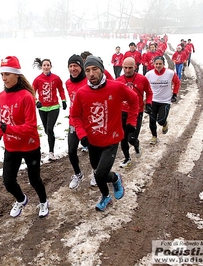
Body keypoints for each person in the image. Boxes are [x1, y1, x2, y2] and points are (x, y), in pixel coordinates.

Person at [70, 55, 139, 211]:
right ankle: (113, 181)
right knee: (98, 172)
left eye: (94, 69)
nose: (91, 74)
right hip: (93, 141)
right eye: (87, 70)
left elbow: (134, 100)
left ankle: (107, 194)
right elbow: (75, 116)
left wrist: (131, 121)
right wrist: (82, 135)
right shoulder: (81, 93)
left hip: (111, 140)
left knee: (100, 174)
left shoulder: (116, 87)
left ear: (101, 69)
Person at [0, 56, 49, 218]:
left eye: (7, 74)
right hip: (11, 146)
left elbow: (31, 127)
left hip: (30, 146)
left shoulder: (26, 97)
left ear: (17, 74)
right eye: (2, 74)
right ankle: (21, 199)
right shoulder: (1, 96)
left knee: (34, 180)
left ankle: (43, 202)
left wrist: (8, 129)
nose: (4, 78)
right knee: (8, 182)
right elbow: (4, 118)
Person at [116, 57, 153, 168]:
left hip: (137, 112)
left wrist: (149, 103)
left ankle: (136, 144)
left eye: (130, 68)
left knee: (131, 138)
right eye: (125, 68)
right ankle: (127, 158)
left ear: (135, 67)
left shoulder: (142, 79)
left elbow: (149, 93)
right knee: (122, 138)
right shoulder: (118, 80)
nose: (127, 70)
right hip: (122, 112)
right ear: (122, 67)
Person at [65, 54, 93, 189]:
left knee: (93, 150)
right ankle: (78, 173)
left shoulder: (88, 81)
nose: (73, 69)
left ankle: (96, 171)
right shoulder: (68, 83)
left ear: (81, 67)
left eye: (75, 65)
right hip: (73, 121)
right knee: (71, 150)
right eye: (70, 66)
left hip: (88, 122)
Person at [32, 58, 67, 161]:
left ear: (51, 66)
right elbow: (32, 92)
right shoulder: (37, 79)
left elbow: (61, 90)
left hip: (54, 107)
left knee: (50, 128)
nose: (46, 67)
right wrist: (36, 101)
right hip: (42, 108)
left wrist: (63, 100)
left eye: (48, 65)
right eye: (44, 65)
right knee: (47, 130)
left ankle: (51, 152)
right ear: (41, 67)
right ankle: (51, 139)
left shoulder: (56, 78)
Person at [145, 55, 181, 145]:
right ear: (153, 64)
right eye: (156, 64)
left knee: (160, 120)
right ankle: (154, 137)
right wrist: (144, 100)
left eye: (160, 64)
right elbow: (144, 86)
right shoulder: (149, 74)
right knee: (152, 120)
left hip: (165, 101)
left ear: (163, 64)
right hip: (153, 100)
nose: (158, 66)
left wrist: (175, 94)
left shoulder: (170, 73)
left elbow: (177, 82)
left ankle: (164, 124)